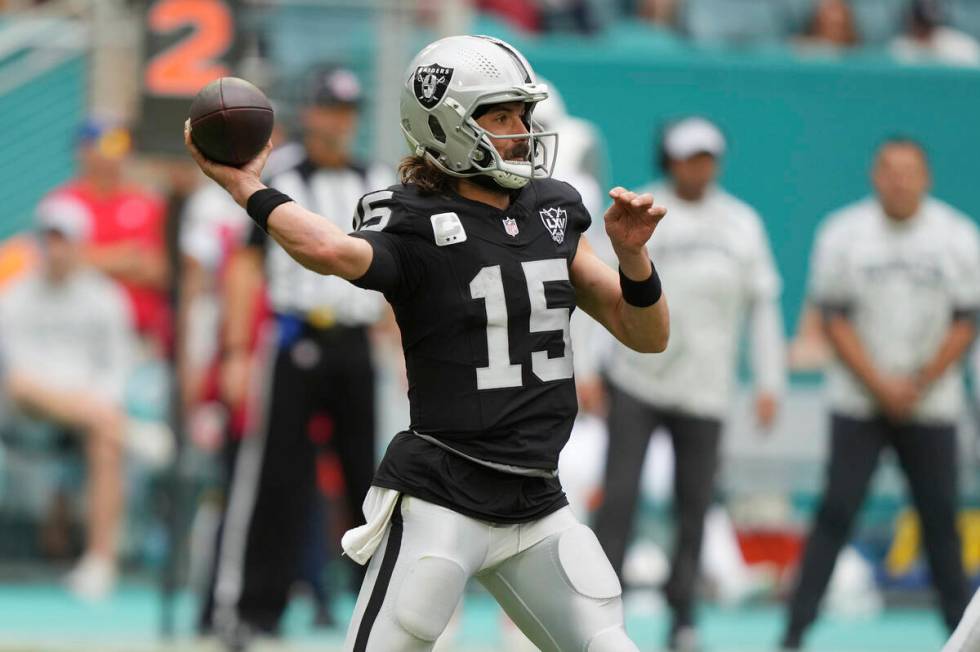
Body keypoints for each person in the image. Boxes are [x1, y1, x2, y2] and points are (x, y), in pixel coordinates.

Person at [186, 34, 669, 652]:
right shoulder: (413, 218)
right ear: (446, 123)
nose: (521, 129)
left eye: (522, 113)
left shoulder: (553, 210)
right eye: (500, 115)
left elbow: (646, 333)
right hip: (445, 497)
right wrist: (245, 187)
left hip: (537, 500)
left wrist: (633, 258)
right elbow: (331, 250)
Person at [200, 66, 395, 640]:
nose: (338, 122)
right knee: (275, 477)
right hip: (292, 335)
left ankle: (380, 613)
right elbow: (245, 263)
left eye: (347, 111)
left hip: (357, 341)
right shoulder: (278, 172)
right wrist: (236, 350)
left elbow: (395, 273)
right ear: (311, 113)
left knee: (372, 483)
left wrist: (402, 351)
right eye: (329, 109)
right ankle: (253, 609)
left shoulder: (376, 179)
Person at [590, 116, 785, 651]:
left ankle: (683, 615)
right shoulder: (637, 212)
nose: (698, 167)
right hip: (637, 378)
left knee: (695, 503)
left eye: (707, 157)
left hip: (707, 387)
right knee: (620, 497)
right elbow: (597, 293)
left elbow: (762, 305)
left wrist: (771, 381)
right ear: (668, 160)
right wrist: (587, 368)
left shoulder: (742, 224)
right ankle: (600, 612)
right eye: (687, 156)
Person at [781, 138, 977, 650]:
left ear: (926, 178)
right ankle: (793, 633)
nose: (899, 180)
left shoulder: (957, 236)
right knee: (835, 513)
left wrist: (918, 382)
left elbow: (966, 320)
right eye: (890, 170)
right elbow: (833, 317)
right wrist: (881, 384)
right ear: (874, 175)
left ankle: (960, 634)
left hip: (930, 404)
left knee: (940, 522)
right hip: (858, 402)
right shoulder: (844, 233)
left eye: (909, 171)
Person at [0, 195, 135, 600]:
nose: (53, 248)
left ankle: (100, 561)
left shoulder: (106, 299)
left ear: (79, 243)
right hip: (26, 414)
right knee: (101, 422)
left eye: (62, 239)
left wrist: (92, 409)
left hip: (87, 417)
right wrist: (86, 409)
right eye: (48, 238)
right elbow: (19, 381)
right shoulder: (14, 297)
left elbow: (117, 373)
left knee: (106, 440)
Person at [49, 120, 169, 350]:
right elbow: (56, 263)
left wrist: (90, 260)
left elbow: (158, 269)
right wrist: (126, 258)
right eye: (108, 145)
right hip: (75, 337)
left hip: (136, 335)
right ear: (84, 150)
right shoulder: (62, 203)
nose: (116, 155)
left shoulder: (147, 203)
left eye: (121, 144)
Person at [891, 0, 980, 67]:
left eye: (927, 25)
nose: (923, 30)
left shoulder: (961, 46)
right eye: (920, 25)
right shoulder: (900, 48)